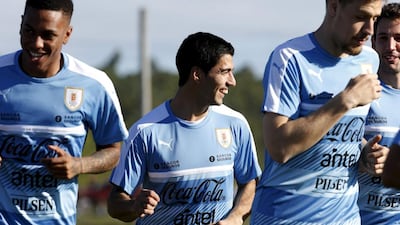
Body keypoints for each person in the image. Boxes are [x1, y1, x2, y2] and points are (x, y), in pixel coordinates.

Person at [250, 0, 384, 224]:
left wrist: (365, 153)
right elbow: (280, 147)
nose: (369, 30)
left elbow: (340, 134)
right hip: (285, 218)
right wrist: (346, 100)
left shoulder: (370, 60)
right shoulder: (290, 57)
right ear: (333, 7)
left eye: (375, 18)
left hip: (345, 218)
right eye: (360, 17)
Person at [107, 32, 262, 225]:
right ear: (197, 74)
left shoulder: (235, 124)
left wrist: (235, 217)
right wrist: (133, 206)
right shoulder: (145, 132)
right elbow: (115, 202)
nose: (232, 81)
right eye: (224, 72)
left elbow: (250, 183)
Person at [0, 0, 128, 224]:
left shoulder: (94, 84)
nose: (36, 43)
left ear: (67, 34)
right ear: (21, 24)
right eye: (29, 31)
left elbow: (114, 152)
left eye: (48, 35)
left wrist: (80, 165)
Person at [357, 3, 400, 224]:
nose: (391, 46)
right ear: (373, 42)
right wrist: (365, 152)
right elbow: (336, 139)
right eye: (383, 38)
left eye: (398, 38)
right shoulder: (359, 90)